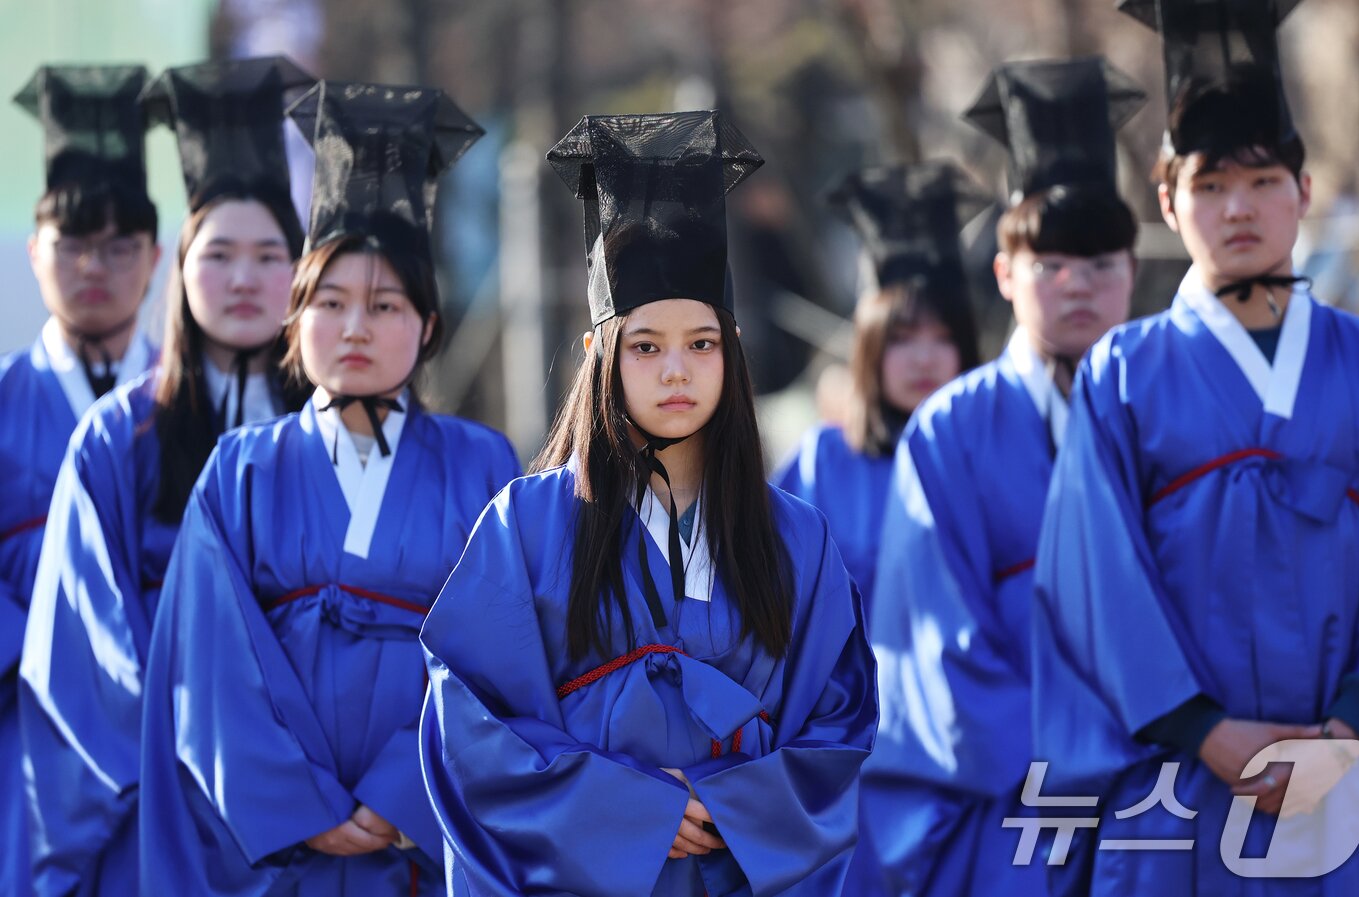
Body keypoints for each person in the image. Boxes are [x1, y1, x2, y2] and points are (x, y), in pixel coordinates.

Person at [420, 111, 878, 897]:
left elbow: (836, 728)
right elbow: (472, 726)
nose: (676, 370)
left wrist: (731, 805)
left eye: (701, 343)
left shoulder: (796, 537)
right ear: (601, 352)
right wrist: (634, 812)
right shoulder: (524, 525)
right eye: (646, 345)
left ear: (731, 350)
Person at [1034, 1, 1359, 892]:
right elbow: (1092, 576)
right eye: (1207, 185)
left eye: (1263, 180)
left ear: (1304, 193)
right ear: (1166, 200)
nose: (1238, 208)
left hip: (1341, 772)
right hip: (1181, 777)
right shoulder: (1123, 370)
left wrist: (1352, 725)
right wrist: (1206, 729)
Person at [138, 80, 520, 897]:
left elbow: (501, 656)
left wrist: (397, 795)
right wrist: (300, 803)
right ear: (295, 316)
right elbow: (208, 663)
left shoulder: (484, 464)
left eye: (385, 304)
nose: (354, 327)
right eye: (332, 301)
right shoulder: (240, 468)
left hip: (422, 841)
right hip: (275, 851)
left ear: (427, 325)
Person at [18, 56, 314, 897]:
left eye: (271, 254)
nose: (248, 278)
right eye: (220, 254)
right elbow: (86, 648)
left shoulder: (336, 433)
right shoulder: (118, 437)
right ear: (178, 268)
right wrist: (206, 753)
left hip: (329, 812)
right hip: (162, 802)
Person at [859, 57, 1146, 897]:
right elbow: (944, 658)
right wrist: (1093, 766)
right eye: (1050, 263)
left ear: (1135, 267)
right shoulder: (951, 431)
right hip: (1019, 804)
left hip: (1174, 797)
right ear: (1004, 272)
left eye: (1100, 263)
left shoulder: (1171, 412)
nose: (1077, 286)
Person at [0, 64, 160, 896]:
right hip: (22, 740)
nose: (95, 265)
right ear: (34, 251)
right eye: (72, 243)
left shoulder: (201, 412)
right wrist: (61, 650)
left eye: (120, 244)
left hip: (171, 740)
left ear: (157, 256)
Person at [773, 160, 985, 604]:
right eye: (901, 340)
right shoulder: (822, 465)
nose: (923, 359)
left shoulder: (996, 457)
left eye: (943, 338)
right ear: (869, 350)